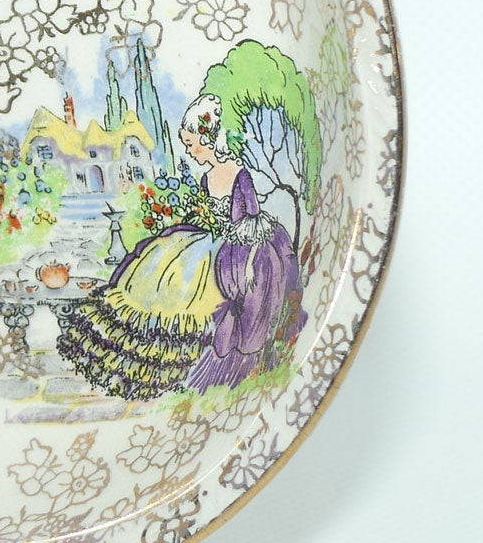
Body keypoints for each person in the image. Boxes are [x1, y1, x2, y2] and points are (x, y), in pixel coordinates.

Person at [56, 95, 305, 400]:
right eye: (186, 145)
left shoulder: (239, 174)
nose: (189, 151)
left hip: (237, 243)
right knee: (159, 262)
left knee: (190, 280)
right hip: (206, 239)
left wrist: (230, 232)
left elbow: (250, 217)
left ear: (207, 138)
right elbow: (205, 213)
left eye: (191, 144)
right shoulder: (207, 177)